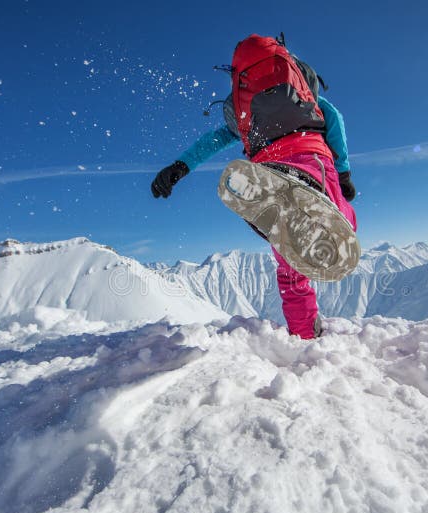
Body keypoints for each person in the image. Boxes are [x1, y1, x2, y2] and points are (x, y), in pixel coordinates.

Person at [151, 34, 357, 339]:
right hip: (312, 153)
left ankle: (305, 335)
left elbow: (215, 140)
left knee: (291, 269)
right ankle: (305, 184)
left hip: (267, 163)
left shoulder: (242, 108)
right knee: (342, 219)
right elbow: (334, 118)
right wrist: (343, 173)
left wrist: (180, 166)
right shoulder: (305, 93)